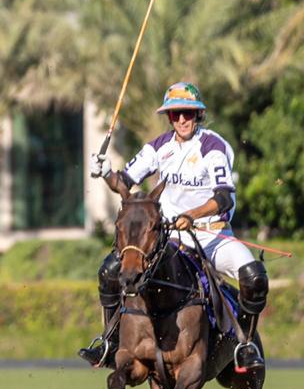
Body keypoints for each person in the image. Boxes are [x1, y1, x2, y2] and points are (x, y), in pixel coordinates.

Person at [81, 81, 268, 372]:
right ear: (169, 117)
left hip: (211, 236)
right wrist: (105, 172)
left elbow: (224, 197)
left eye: (188, 113)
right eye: (176, 114)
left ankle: (245, 345)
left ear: (198, 115)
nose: (182, 119)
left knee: (254, 276)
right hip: (168, 240)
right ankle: (109, 341)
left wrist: (192, 215)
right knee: (109, 270)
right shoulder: (158, 147)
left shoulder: (213, 146)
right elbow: (126, 184)